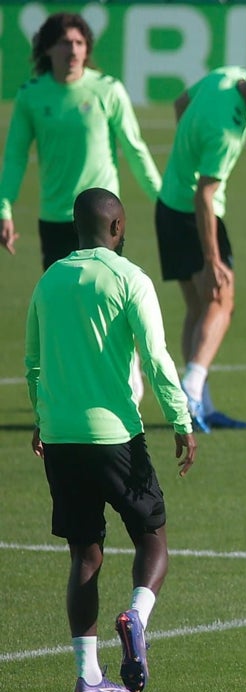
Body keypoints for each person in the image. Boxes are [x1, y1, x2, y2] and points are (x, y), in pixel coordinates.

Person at [25, 187, 197, 692]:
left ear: (76, 229)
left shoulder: (49, 281)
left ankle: (88, 676)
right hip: (116, 437)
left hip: (60, 438)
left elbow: (33, 364)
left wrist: (42, 416)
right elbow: (157, 356)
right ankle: (135, 617)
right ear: (117, 228)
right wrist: (181, 419)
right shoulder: (129, 279)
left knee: (85, 554)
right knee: (153, 538)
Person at [0, 12, 162, 403]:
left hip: (105, 221)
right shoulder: (32, 95)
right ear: (48, 49)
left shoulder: (107, 89)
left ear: (87, 48)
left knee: (111, 296)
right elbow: (16, 158)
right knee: (66, 304)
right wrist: (4, 208)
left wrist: (163, 201)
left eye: (78, 42)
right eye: (64, 43)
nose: (72, 49)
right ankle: (74, 388)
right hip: (57, 219)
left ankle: (128, 374)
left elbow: (135, 148)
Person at [155, 57, 246, 432]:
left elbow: (180, 103)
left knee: (199, 307)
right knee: (223, 301)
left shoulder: (228, 75)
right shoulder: (228, 130)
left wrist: (187, 151)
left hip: (168, 205)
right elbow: (205, 196)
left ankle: (199, 405)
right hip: (195, 214)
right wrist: (212, 259)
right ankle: (190, 390)